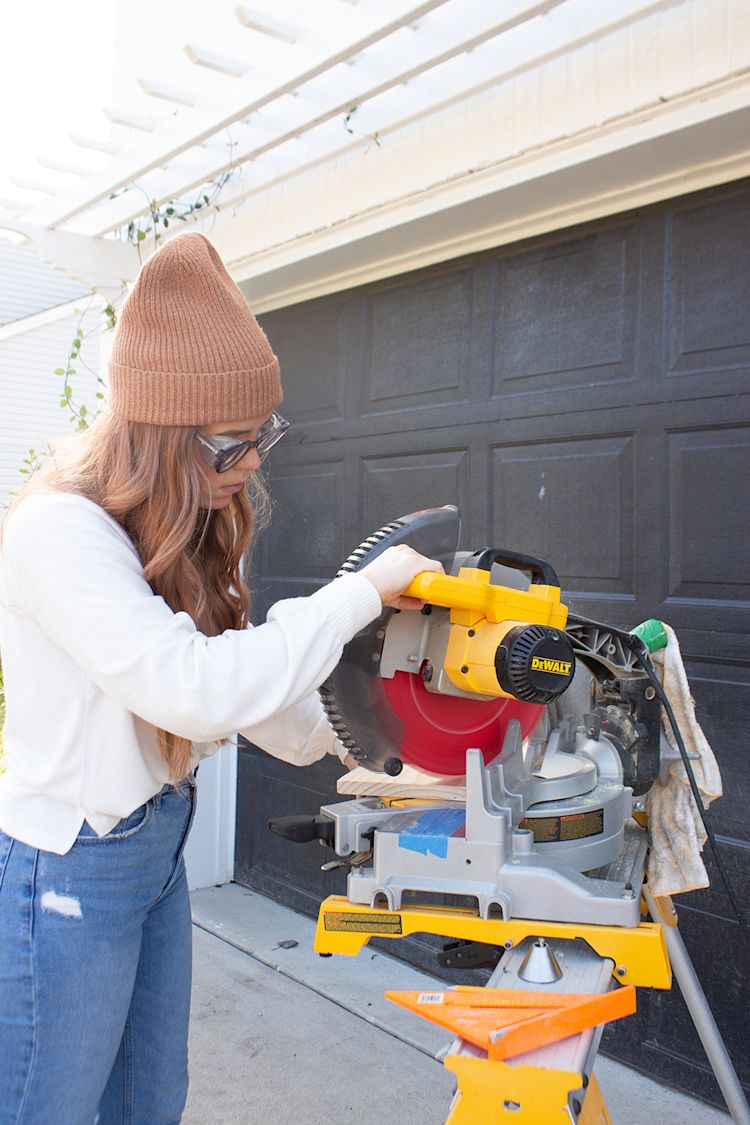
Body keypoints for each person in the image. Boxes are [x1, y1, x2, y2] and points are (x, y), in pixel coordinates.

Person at [0, 232, 442, 1125]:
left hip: (154, 848)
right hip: (70, 866)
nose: (252, 464)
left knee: (149, 1103)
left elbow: (257, 693)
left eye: (262, 436)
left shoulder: (182, 521)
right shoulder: (60, 530)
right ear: (159, 433)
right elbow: (193, 687)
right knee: (51, 1108)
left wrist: (389, 747)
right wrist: (359, 593)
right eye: (232, 444)